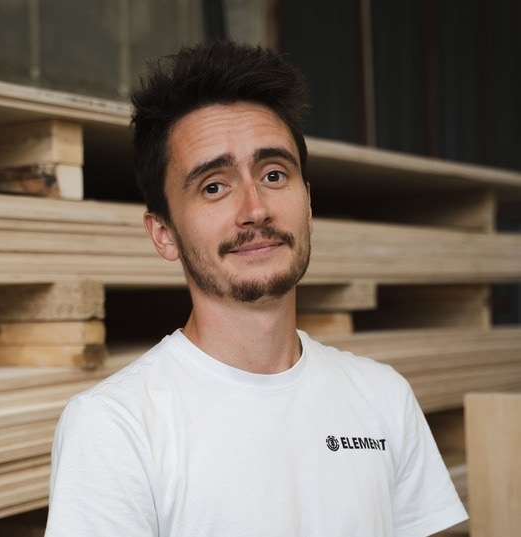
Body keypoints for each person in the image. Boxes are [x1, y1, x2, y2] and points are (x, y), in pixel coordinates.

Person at [45, 40, 468, 536]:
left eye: (273, 174)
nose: (255, 208)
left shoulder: (383, 396)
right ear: (164, 234)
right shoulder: (115, 427)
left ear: (307, 204)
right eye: (214, 186)